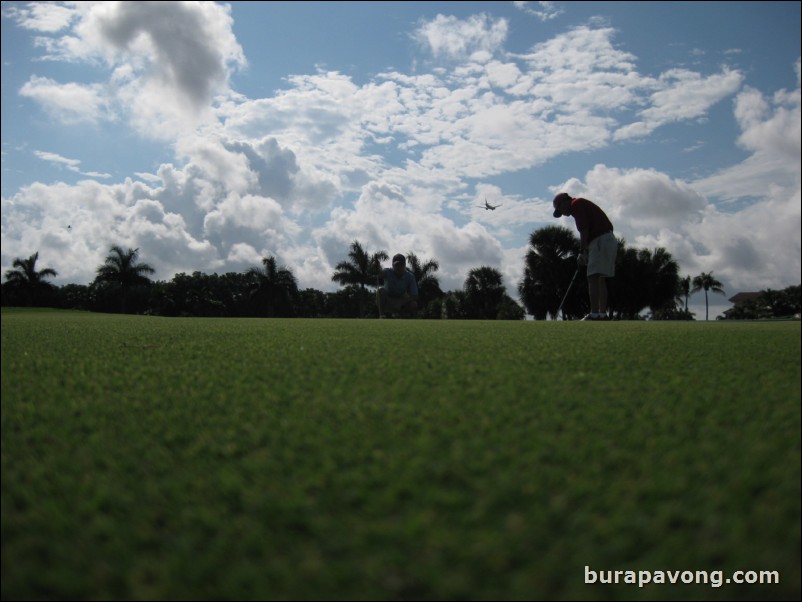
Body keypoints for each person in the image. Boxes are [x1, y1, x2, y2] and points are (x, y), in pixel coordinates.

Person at [552, 192, 617, 320]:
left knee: (593, 277)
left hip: (600, 240)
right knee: (600, 278)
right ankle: (602, 314)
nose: (563, 214)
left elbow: (584, 229)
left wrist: (582, 251)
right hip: (608, 239)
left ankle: (594, 314)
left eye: (560, 210)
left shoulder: (576, 204)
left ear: (565, 202)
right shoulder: (581, 204)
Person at [377, 254, 418, 318]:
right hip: (387, 301)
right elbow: (380, 274)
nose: (399, 267)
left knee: (414, 304)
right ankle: (382, 315)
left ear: (405, 265)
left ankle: (406, 317)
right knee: (380, 291)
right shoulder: (388, 271)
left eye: (401, 265)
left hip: (401, 301)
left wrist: (401, 302)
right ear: (392, 265)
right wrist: (377, 267)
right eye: (396, 265)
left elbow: (415, 295)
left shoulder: (410, 277)